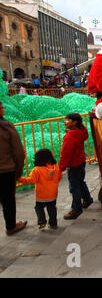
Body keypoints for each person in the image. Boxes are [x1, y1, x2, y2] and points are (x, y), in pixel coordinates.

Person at [59, 113, 94, 220]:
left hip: (73, 164)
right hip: (81, 161)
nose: (65, 122)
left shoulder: (70, 136)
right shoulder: (81, 131)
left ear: (75, 122)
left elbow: (66, 153)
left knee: (74, 187)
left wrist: (61, 167)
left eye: (68, 120)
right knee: (80, 182)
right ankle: (88, 200)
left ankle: (76, 209)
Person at [0, 101, 27, 236]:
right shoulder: (6, 127)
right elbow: (18, 152)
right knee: (8, 200)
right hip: (5, 170)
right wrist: (19, 168)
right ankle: (11, 226)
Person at [18, 149, 62, 229]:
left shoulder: (37, 170)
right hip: (53, 194)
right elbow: (59, 177)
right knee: (52, 208)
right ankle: (53, 224)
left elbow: (32, 180)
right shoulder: (56, 167)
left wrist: (20, 179)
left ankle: (42, 221)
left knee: (39, 208)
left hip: (41, 196)